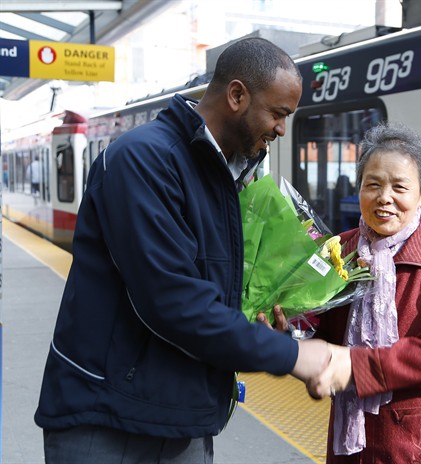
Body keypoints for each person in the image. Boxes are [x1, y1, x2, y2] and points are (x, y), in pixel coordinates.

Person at [34, 37, 332, 463]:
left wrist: (259, 322)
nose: (282, 129)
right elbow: (171, 299)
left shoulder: (227, 177)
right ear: (236, 95)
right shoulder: (144, 160)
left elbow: (210, 286)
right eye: (278, 113)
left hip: (182, 413)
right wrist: (292, 355)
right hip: (106, 419)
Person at [307, 121, 421, 463]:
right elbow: (324, 331)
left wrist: (361, 367)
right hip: (349, 446)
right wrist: (292, 329)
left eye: (399, 187)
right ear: (359, 189)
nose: (384, 197)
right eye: (372, 184)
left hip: (417, 446)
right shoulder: (340, 249)